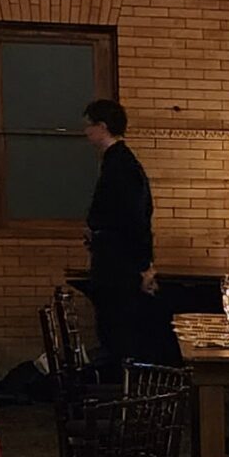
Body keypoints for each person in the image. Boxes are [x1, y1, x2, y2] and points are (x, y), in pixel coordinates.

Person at [82, 98, 158, 371]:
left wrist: (144, 266)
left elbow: (136, 218)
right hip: (118, 258)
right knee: (115, 330)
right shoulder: (119, 162)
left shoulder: (120, 165)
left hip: (118, 264)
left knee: (116, 331)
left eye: (89, 126)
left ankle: (119, 386)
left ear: (102, 127)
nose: (86, 132)